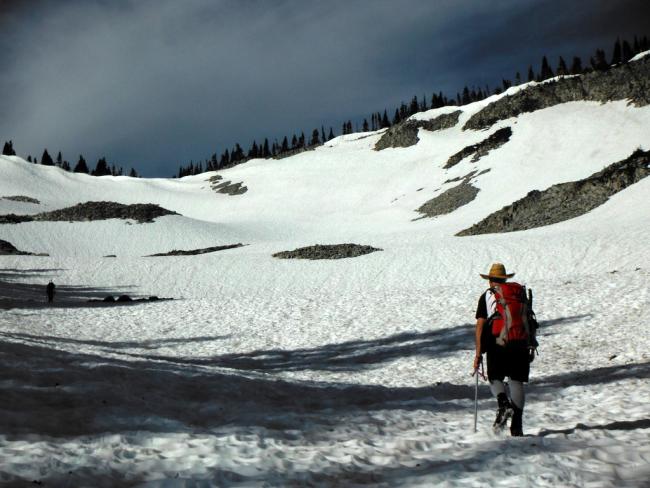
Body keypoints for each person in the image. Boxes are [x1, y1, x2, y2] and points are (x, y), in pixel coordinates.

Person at [473, 262, 534, 437]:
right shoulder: (518, 294)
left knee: (495, 377)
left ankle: (503, 404)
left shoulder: (488, 295)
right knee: (516, 381)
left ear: (490, 280)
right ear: (505, 278)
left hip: (497, 341)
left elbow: (480, 325)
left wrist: (478, 353)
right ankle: (517, 427)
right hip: (520, 342)